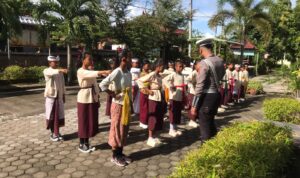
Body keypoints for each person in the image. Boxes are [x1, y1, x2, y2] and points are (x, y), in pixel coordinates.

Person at [100, 50, 133, 167]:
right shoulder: (117, 72)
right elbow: (102, 84)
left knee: (124, 129)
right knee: (116, 129)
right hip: (118, 105)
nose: (131, 61)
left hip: (126, 105)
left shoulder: (128, 73)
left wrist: (131, 106)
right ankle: (115, 156)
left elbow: (129, 91)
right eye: (130, 58)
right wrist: (113, 94)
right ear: (124, 59)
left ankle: (120, 153)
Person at [191, 38, 225, 142]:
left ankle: (205, 151)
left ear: (201, 50)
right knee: (211, 122)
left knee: (205, 125)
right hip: (216, 95)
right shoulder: (220, 60)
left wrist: (194, 105)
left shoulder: (204, 63)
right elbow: (222, 75)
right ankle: (214, 146)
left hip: (207, 97)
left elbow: (200, 85)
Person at [77, 52, 110, 153]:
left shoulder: (89, 71)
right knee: (84, 120)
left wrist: (97, 96)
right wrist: (103, 71)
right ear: (83, 60)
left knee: (90, 120)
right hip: (84, 98)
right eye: (89, 59)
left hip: (92, 97)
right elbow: (91, 74)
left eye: (91, 59)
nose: (91, 61)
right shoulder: (80, 71)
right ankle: (82, 143)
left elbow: (95, 83)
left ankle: (86, 143)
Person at [137, 59, 165, 147]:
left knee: (158, 116)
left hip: (159, 96)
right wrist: (147, 91)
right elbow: (140, 81)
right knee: (152, 117)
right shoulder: (152, 74)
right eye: (162, 65)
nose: (163, 67)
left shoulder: (159, 76)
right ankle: (150, 137)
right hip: (153, 97)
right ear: (158, 66)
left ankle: (155, 136)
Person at [43, 56, 68, 142]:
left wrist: (64, 94)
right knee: (52, 115)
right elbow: (51, 72)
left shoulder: (59, 72)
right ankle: (53, 133)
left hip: (59, 96)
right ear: (49, 63)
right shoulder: (47, 71)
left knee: (59, 115)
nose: (56, 63)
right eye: (54, 62)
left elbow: (62, 84)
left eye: (57, 62)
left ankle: (57, 132)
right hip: (51, 97)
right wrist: (60, 70)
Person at [163, 60, 186, 137]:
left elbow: (183, 85)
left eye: (182, 66)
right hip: (173, 96)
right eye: (179, 66)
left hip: (180, 96)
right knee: (172, 112)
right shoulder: (173, 74)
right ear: (175, 67)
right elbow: (164, 80)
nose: (181, 68)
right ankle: (171, 129)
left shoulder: (182, 75)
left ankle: (175, 128)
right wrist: (170, 86)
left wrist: (184, 94)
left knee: (177, 113)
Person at [186, 61, 200, 128]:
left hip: (197, 92)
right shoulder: (194, 72)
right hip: (192, 92)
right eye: (199, 65)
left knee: (197, 106)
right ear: (195, 66)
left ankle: (195, 119)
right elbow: (188, 79)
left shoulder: (199, 72)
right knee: (193, 105)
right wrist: (192, 84)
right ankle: (191, 120)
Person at [139, 60, 151, 129]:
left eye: (148, 65)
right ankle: (142, 121)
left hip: (149, 90)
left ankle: (146, 120)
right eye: (146, 65)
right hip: (143, 91)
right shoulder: (142, 74)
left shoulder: (149, 73)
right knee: (144, 106)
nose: (148, 66)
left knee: (148, 106)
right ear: (143, 66)